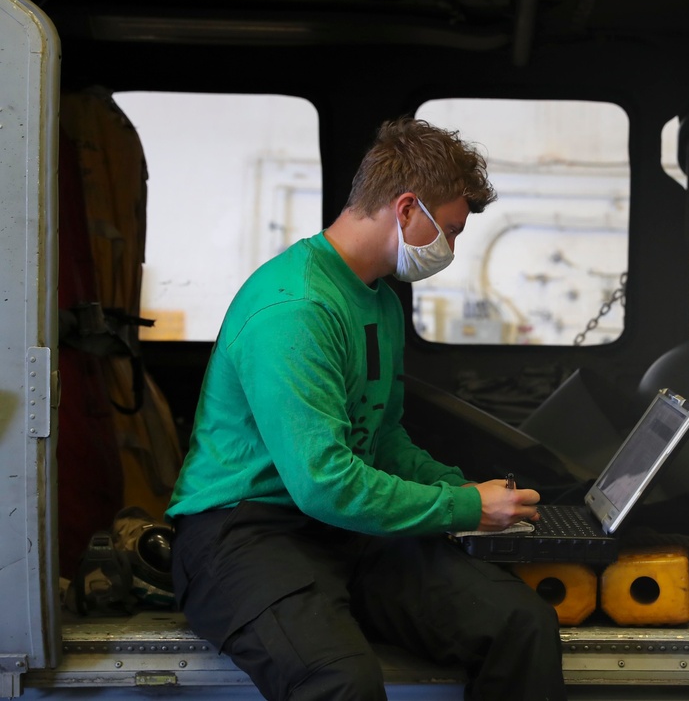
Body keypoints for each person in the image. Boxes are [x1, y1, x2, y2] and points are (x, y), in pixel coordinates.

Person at [166, 117, 566, 701]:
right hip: (243, 535)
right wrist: (459, 508)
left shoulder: (377, 302)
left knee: (521, 626)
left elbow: (380, 439)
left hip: (340, 528)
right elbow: (324, 482)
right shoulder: (297, 308)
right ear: (406, 210)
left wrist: (466, 492)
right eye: (450, 231)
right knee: (340, 681)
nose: (451, 250)